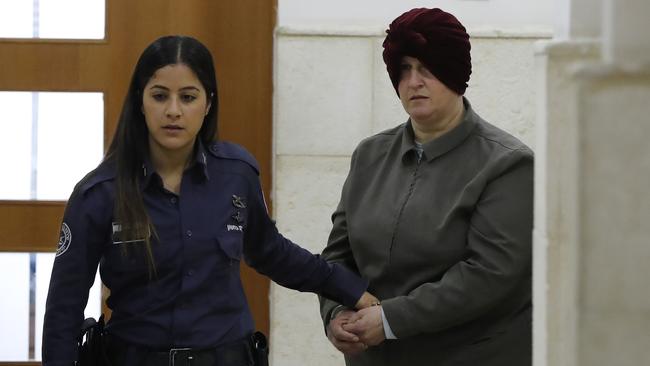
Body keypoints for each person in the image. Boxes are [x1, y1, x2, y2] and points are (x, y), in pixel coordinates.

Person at [42, 35, 377, 366]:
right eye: (160, 96)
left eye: (188, 97)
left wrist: (350, 290)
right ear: (140, 102)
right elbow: (64, 308)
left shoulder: (236, 174)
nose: (173, 110)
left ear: (208, 104)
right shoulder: (98, 193)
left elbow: (272, 252)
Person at [318, 7, 534, 366]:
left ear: (456, 74)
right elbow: (338, 255)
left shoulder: (507, 163)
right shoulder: (370, 155)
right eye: (403, 69)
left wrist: (389, 320)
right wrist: (335, 313)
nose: (413, 81)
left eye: (427, 68)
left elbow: (489, 275)